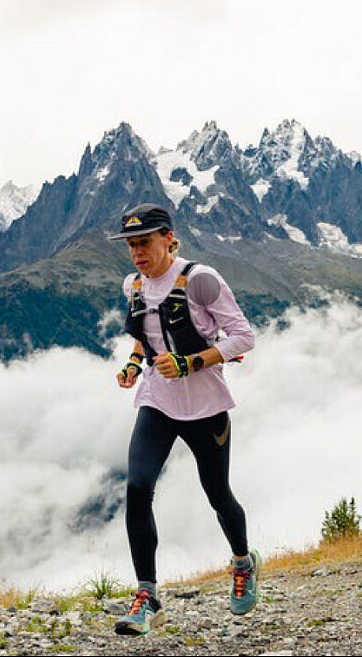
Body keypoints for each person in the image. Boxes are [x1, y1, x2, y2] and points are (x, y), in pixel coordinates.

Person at [107, 203, 260, 636]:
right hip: (156, 400)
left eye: (144, 242)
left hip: (205, 405)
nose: (137, 253)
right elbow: (146, 337)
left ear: (169, 239)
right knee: (137, 488)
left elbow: (243, 337)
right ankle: (148, 597)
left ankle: (243, 562)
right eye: (131, 245)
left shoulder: (200, 279)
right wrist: (133, 365)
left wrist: (190, 363)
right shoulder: (133, 285)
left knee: (217, 494)